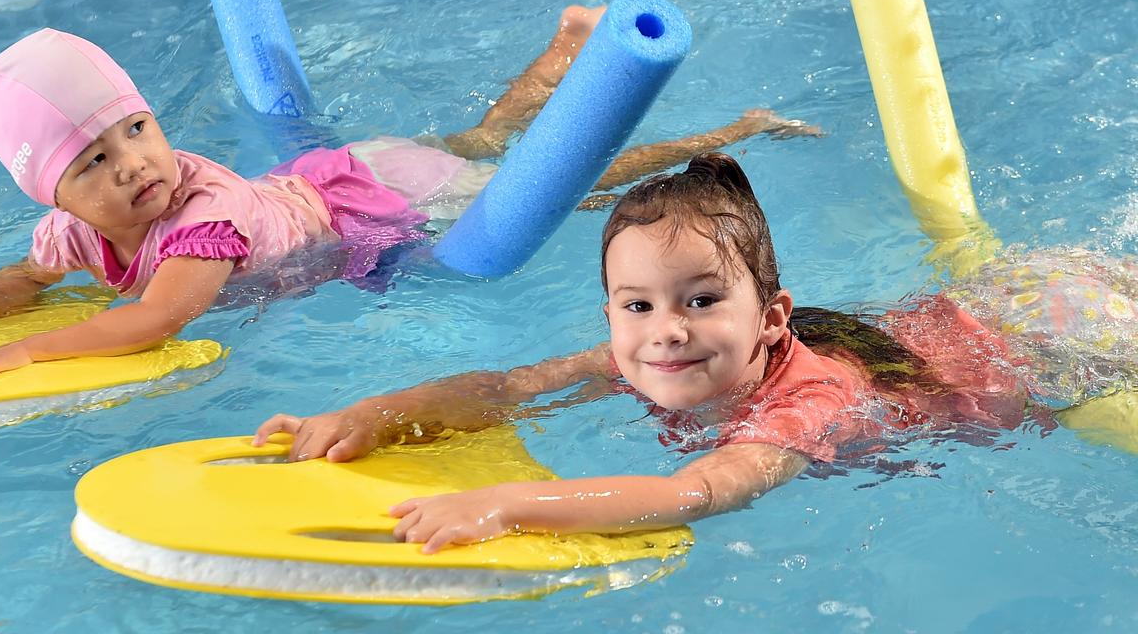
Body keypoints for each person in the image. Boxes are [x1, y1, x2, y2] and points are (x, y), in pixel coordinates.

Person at [0, 7, 821, 389]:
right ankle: (569, 48)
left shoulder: (200, 224)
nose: (132, 165)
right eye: (91, 162)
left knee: (561, 184)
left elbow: (150, 325)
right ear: (55, 193)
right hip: (349, 172)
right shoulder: (71, 234)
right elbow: (28, 271)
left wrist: (13, 355)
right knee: (493, 143)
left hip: (379, 201)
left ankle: (725, 131)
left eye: (135, 129)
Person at [251, 150, 1134, 554]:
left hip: (1053, 336)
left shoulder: (807, 400)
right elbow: (506, 386)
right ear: (612, 314)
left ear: (771, 318)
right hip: (995, 307)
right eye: (637, 306)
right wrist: (369, 416)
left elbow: (695, 491)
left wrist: (511, 504)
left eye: (701, 301)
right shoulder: (646, 355)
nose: (665, 329)